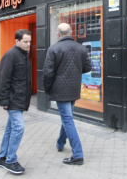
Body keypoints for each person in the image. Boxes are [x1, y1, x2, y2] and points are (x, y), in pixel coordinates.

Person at [42, 23, 92, 165]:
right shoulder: (81, 48)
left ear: (58, 34)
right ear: (71, 32)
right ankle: (60, 143)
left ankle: (77, 154)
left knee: (67, 120)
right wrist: (75, 73)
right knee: (67, 117)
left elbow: (47, 73)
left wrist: (47, 88)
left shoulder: (53, 49)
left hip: (60, 91)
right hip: (74, 89)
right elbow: (88, 67)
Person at [0, 29, 32, 174]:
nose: (29, 44)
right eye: (25, 41)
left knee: (10, 129)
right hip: (13, 99)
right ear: (16, 41)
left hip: (20, 98)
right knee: (19, 128)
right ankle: (10, 160)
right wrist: (3, 99)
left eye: (30, 41)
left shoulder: (23, 55)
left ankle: (1, 157)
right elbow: (3, 79)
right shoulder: (11, 55)